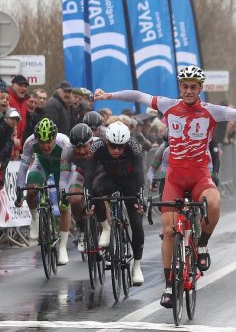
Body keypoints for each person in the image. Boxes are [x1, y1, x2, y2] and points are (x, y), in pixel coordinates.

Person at [93, 64, 236, 307]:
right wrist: (110, 95)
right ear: (180, 87)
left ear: (200, 89)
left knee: (214, 203)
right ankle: (169, 286)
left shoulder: (210, 110)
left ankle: (202, 245)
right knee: (170, 231)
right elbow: (138, 96)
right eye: (185, 86)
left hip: (199, 175)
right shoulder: (167, 105)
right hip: (174, 176)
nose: (189, 91)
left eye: (194, 87)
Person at [83, 121, 146, 285]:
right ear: (106, 142)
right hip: (110, 178)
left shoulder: (134, 147)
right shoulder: (97, 147)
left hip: (130, 182)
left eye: (120, 147)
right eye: (113, 146)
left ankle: (137, 266)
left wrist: (141, 198)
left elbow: (140, 174)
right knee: (96, 190)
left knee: (137, 223)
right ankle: (105, 227)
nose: (116, 150)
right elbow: (88, 175)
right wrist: (88, 198)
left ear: (126, 144)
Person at [15, 118, 73, 265]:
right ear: (36, 140)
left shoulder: (64, 143)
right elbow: (22, 170)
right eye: (42, 143)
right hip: (42, 164)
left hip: (61, 166)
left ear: (55, 138)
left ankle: (62, 248)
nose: (46, 146)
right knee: (31, 189)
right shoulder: (30, 142)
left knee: (64, 202)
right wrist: (19, 191)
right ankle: (35, 220)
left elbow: (65, 179)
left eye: (49, 142)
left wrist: (64, 193)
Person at [60, 123, 101, 254]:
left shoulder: (100, 146)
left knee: (104, 197)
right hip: (81, 172)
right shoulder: (67, 150)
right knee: (74, 198)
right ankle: (82, 229)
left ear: (91, 141)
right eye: (77, 148)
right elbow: (64, 179)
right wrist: (63, 194)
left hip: (99, 172)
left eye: (84, 146)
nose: (81, 151)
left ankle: (108, 229)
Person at [7, 74, 30, 144]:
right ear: (13, 85)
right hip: (8, 142)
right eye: (20, 85)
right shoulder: (7, 98)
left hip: (18, 144)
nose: (23, 88)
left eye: (25, 86)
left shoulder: (24, 102)